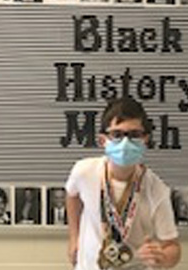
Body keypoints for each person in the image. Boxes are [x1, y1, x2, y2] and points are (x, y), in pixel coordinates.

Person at [65, 97, 181, 270]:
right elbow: (72, 195)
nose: (126, 143)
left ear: (145, 140)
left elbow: (173, 247)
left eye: (134, 135)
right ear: (103, 140)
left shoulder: (156, 189)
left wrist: (162, 258)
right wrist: (74, 237)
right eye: (117, 135)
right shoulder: (84, 172)